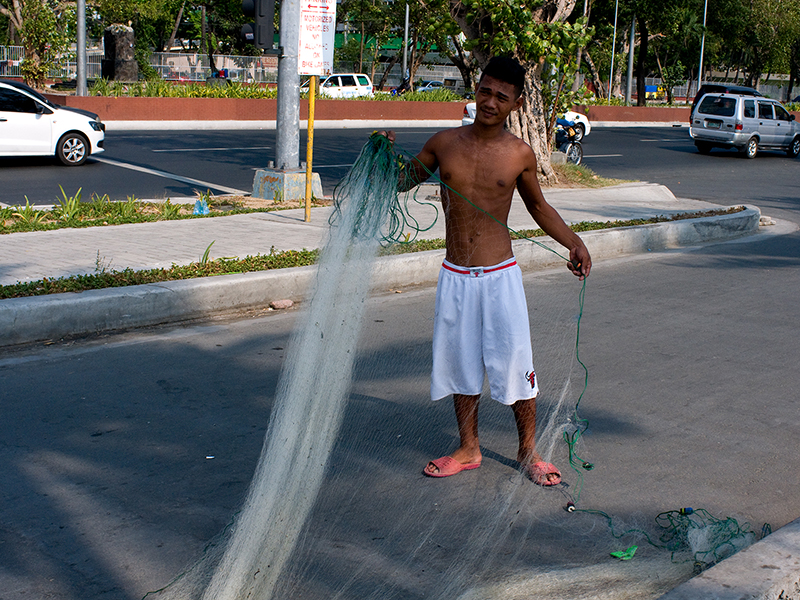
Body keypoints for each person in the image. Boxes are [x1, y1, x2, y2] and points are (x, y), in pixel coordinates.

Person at [383, 56, 591, 486]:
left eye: (502, 96)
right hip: (455, 276)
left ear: (515, 103)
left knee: (516, 363)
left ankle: (529, 451)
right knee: (460, 365)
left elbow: (538, 207)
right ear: (476, 89)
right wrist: (384, 156)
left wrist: (574, 242)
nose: (491, 101)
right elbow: (405, 179)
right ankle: (468, 446)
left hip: (501, 277)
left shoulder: (519, 154)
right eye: (485, 91)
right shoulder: (444, 143)